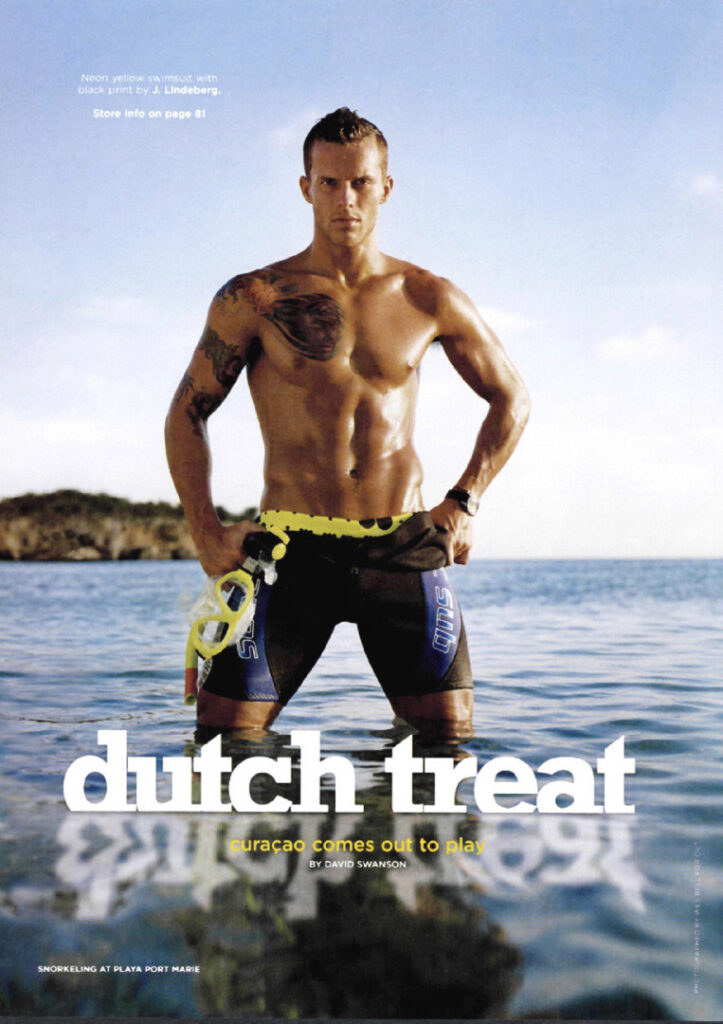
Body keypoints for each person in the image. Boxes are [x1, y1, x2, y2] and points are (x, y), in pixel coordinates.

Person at [165, 107, 529, 737]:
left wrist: (466, 500)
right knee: (225, 741)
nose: (346, 199)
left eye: (360, 182)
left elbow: (512, 398)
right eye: (329, 182)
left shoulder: (428, 296)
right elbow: (187, 412)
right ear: (305, 187)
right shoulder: (256, 297)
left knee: (445, 744)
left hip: (402, 547)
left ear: (386, 187)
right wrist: (206, 532)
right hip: (289, 550)